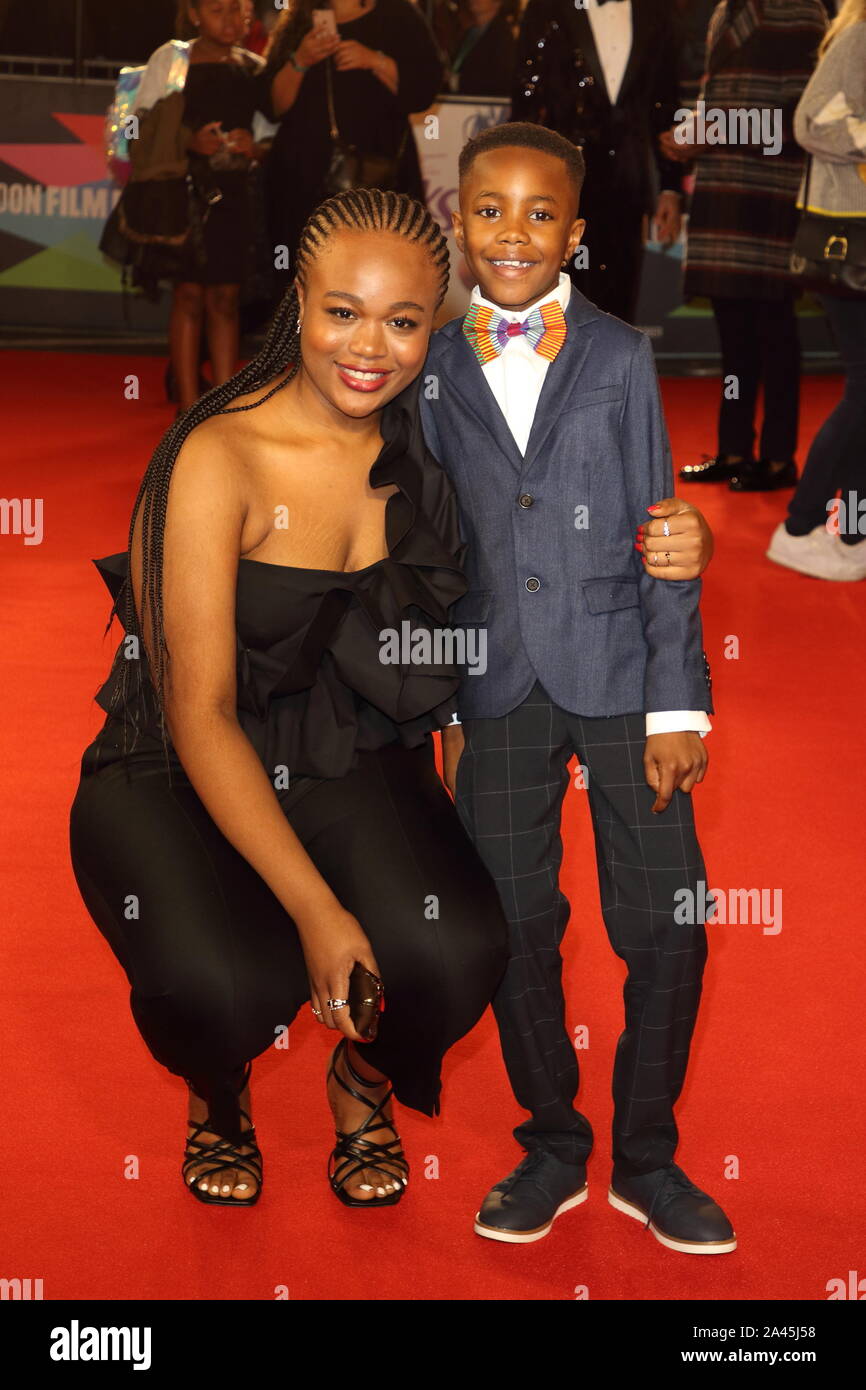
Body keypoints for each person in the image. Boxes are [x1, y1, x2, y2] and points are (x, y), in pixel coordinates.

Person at [69, 189, 511, 1209]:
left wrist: (675, 545)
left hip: (342, 748)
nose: (370, 347)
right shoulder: (218, 453)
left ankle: (360, 1083)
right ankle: (217, 1096)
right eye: (341, 312)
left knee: (454, 948)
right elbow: (199, 710)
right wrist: (318, 909)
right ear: (296, 304)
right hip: (180, 755)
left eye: (403, 321)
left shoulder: (426, 446)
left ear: (430, 326)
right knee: (228, 980)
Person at [421, 121, 734, 1253]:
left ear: (576, 233)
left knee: (667, 924)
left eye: (538, 212)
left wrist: (677, 700)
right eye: (488, 208)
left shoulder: (620, 354)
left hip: (617, 676)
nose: (512, 231)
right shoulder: (423, 363)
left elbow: (662, 527)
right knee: (512, 924)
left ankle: (645, 1157)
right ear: (455, 218)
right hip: (488, 682)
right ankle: (551, 1139)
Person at [670, 0, 828, 491]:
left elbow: (805, 121)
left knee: (774, 332)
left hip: (769, 194)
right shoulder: (728, 10)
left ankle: (779, 459)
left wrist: (710, 132)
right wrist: (696, 136)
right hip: (724, 190)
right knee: (734, 334)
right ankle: (734, 449)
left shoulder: (800, 13)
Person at [130, 0, 282, 413]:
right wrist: (188, 141)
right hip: (184, 193)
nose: (231, 20)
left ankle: (221, 401)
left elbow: (273, 134)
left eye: (239, 10)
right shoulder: (171, 59)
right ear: (194, 14)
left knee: (227, 299)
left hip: (236, 195)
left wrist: (258, 149)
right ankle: (187, 401)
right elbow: (134, 128)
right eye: (219, 10)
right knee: (188, 295)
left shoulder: (254, 67)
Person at [767, 0, 866, 581]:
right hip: (848, 242)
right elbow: (809, 121)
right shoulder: (859, 36)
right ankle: (799, 527)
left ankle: (852, 533)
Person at [511, 0, 685, 325]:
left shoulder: (655, 13)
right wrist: (521, 179)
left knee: (618, 302)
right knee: (557, 299)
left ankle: (613, 376)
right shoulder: (547, 7)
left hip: (628, 182)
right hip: (561, 181)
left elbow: (665, 103)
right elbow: (527, 97)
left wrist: (671, 187)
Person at [262, 0, 443, 288]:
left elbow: (423, 90)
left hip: (380, 177)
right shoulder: (299, 18)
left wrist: (374, 60)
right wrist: (300, 61)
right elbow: (272, 106)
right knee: (306, 283)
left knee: (382, 278)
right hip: (303, 179)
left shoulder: (398, 13)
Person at [442, 0, 517, 98]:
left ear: (497, 2)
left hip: (483, 104)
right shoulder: (470, 31)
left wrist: (458, 81)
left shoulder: (502, 34)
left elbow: (500, 78)